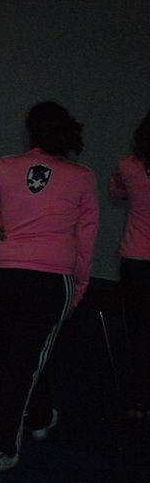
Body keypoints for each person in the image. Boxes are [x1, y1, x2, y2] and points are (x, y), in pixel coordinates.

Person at [0, 101, 98, 473]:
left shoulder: (6, 166)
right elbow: (85, 240)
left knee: (22, 352)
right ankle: (1, 448)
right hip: (51, 278)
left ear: (29, 132)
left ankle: (41, 416)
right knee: (25, 360)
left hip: (8, 274)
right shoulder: (81, 176)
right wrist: (79, 286)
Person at [109, 109, 150, 423]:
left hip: (136, 260)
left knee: (138, 331)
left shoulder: (128, 166)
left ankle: (138, 397)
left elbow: (118, 192)